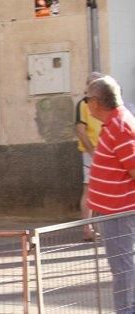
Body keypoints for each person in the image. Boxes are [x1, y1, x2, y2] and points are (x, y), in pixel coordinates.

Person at [84, 75, 135, 314]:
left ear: (95, 101)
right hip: (114, 208)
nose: (86, 105)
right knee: (123, 262)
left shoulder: (120, 126)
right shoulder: (114, 123)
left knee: (122, 262)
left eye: (86, 99)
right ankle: (129, 311)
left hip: (120, 209)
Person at [75, 72, 105, 241]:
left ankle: (101, 226)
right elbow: (80, 130)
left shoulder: (101, 103)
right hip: (91, 152)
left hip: (105, 151)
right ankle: (87, 229)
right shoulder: (83, 104)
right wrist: (92, 152)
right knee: (89, 189)